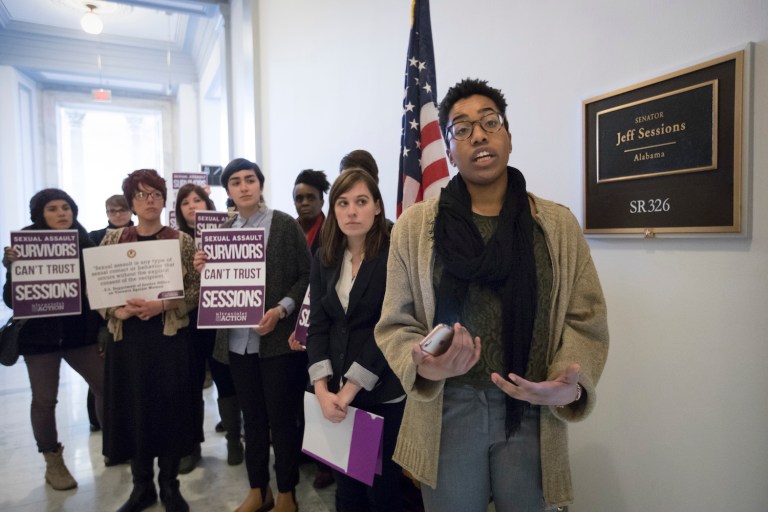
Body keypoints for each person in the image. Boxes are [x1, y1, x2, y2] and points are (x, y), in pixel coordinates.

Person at [374, 78, 609, 512]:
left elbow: (585, 317)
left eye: (490, 122)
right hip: (448, 407)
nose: (478, 134)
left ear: (509, 137)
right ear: (448, 150)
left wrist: (568, 385)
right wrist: (425, 363)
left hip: (530, 406)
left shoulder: (555, 225)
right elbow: (396, 321)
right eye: (461, 128)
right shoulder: (416, 228)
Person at [195, 158, 310, 512]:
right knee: (252, 420)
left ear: (260, 184)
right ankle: (259, 489)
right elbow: (216, 289)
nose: (243, 187)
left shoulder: (285, 226)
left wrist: (281, 310)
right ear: (227, 190)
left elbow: (306, 276)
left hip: (275, 342)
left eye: (250, 180)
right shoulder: (222, 231)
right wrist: (205, 269)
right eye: (235, 182)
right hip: (236, 344)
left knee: (281, 418)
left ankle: (287, 491)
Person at [100, 169, 200, 512]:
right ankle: (141, 486)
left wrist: (163, 304)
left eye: (156, 194)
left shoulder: (181, 241)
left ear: (163, 199)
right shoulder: (113, 240)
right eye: (142, 195)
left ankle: (169, 485)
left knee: (168, 412)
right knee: (133, 411)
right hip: (126, 341)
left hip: (167, 340)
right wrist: (116, 310)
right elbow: (96, 290)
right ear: (131, 201)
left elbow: (196, 291)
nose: (149, 201)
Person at [307, 170, 405, 512]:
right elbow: (318, 325)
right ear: (333, 209)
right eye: (343, 203)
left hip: (377, 395)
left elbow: (387, 327)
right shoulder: (325, 257)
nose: (351, 211)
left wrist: (348, 391)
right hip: (334, 397)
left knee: (380, 494)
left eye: (361, 202)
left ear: (377, 207)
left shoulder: (394, 255)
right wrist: (321, 388)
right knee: (347, 492)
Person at [2, 189, 104, 491]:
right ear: (40, 215)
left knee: (105, 385)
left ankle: (115, 442)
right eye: (52, 209)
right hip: (40, 339)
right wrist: (13, 269)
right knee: (45, 400)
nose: (62, 213)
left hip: (79, 334)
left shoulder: (85, 241)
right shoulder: (25, 244)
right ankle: (52, 461)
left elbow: (100, 289)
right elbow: (10, 300)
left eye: (66, 208)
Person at [174, 183, 243, 473]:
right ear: (178, 210)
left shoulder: (227, 231)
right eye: (185, 202)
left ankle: (233, 439)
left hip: (220, 319)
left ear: (208, 203)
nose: (192, 206)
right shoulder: (172, 240)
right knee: (189, 383)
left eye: (197, 199)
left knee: (225, 379)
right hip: (187, 323)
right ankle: (191, 445)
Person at [87, 193, 134, 433]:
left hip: (139, 313)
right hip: (106, 318)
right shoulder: (95, 237)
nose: (117, 215)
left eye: (121, 210)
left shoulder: (145, 235)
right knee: (102, 376)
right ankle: (101, 423)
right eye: (112, 211)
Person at [293, 169, 330, 255]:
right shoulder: (287, 232)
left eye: (311, 198)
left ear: (321, 202)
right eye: (299, 199)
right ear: (294, 203)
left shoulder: (332, 234)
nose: (305, 203)